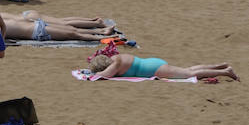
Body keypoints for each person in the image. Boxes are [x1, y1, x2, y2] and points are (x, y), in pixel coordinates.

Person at [88, 53, 239, 80]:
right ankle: (220, 66)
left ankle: (225, 72)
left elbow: (103, 75)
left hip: (154, 69)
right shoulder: (116, 57)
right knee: (188, 69)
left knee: (188, 74)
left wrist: (90, 74)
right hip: (152, 63)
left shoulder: (115, 65)